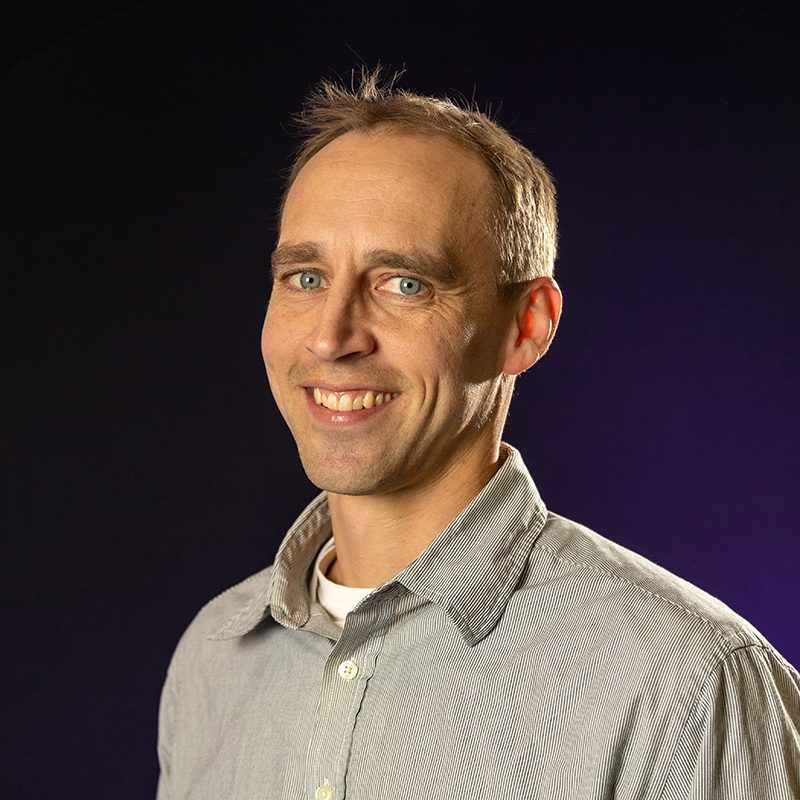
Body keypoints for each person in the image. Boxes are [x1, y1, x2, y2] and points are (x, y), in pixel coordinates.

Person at [156, 70, 800, 800]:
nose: (331, 338)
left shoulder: (685, 683)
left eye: (403, 284)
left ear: (526, 327)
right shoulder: (213, 660)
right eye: (304, 278)